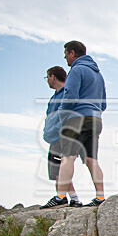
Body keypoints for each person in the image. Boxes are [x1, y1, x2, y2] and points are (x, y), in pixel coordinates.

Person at [41, 41, 107, 209]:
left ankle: (61, 197)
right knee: (91, 159)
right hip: (95, 119)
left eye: (66, 54)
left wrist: (63, 116)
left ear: (72, 53)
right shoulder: (98, 75)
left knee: (67, 158)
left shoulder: (76, 70)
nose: (65, 57)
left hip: (77, 118)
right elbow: (104, 103)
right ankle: (100, 197)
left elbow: (70, 95)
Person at [42, 66, 81, 207]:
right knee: (57, 170)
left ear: (53, 76)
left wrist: (56, 130)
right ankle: (73, 198)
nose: (47, 80)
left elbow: (66, 116)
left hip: (63, 135)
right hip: (54, 137)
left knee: (60, 168)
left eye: (47, 77)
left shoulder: (66, 94)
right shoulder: (55, 96)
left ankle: (64, 198)